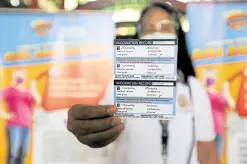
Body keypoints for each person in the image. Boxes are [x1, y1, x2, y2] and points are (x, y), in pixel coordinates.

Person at [67, 2, 219, 164]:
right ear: (139, 37)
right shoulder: (120, 84)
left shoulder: (193, 88)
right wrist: (85, 126)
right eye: (149, 28)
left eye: (166, 28)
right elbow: (101, 127)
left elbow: (206, 149)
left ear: (177, 36)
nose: (157, 33)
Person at [0, 68, 41, 164]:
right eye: (17, 75)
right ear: (14, 76)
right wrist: (4, 115)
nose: (19, 77)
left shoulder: (28, 92)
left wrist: (33, 87)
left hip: (26, 125)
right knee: (13, 153)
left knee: (23, 153)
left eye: (21, 75)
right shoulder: (9, 90)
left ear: (24, 77)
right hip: (14, 125)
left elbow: (39, 101)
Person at [203, 69, 235, 159]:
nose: (210, 78)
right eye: (208, 76)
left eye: (212, 76)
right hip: (206, 131)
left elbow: (232, 105)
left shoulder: (220, 95)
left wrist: (226, 91)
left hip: (219, 131)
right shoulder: (202, 93)